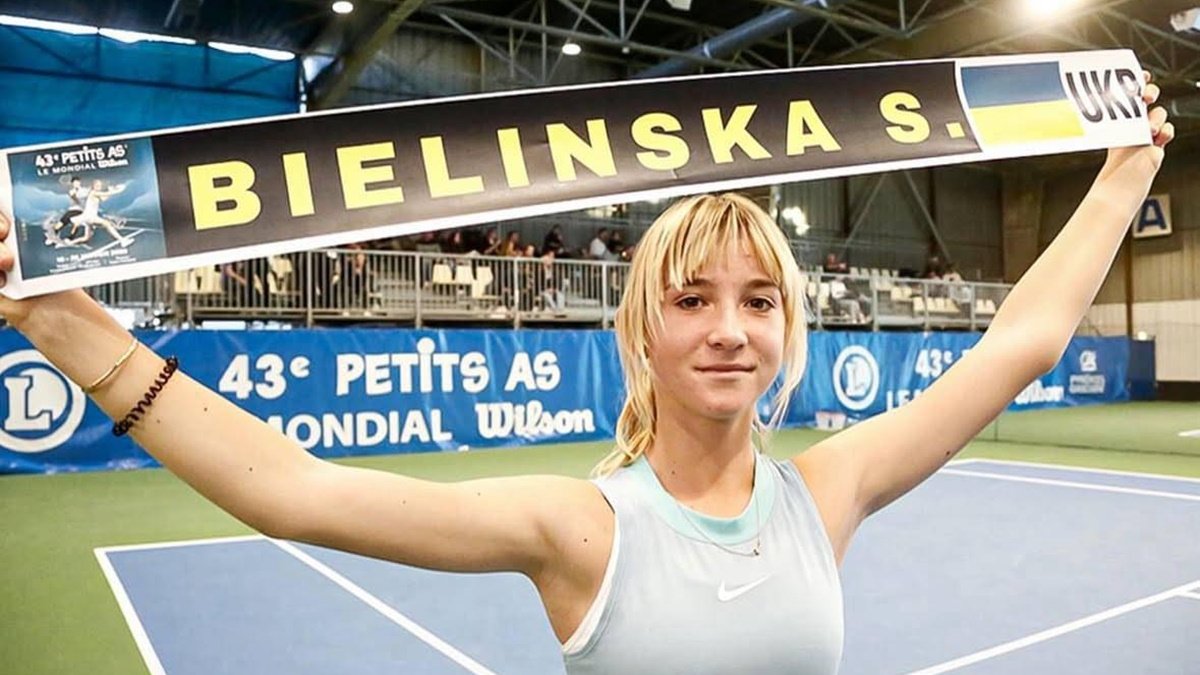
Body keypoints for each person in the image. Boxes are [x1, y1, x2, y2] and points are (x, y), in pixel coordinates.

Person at [0, 76, 1171, 674]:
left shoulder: (828, 493)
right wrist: (62, 323)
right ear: (643, 332)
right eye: (692, 299)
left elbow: (1020, 343)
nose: (729, 329)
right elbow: (298, 492)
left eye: (759, 301)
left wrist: (1125, 169)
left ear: (788, 330)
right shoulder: (581, 528)